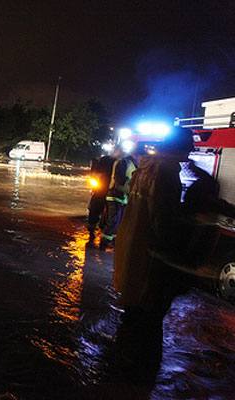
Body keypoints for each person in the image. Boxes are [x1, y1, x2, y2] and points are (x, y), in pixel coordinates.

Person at [111, 128, 194, 382]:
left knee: (133, 310)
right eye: (188, 147)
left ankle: (120, 365)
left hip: (132, 249)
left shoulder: (143, 169)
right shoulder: (167, 174)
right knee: (150, 315)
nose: (190, 153)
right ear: (180, 148)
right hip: (150, 254)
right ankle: (142, 376)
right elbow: (162, 221)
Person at [99, 147, 140, 250]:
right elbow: (120, 180)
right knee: (113, 221)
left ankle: (113, 243)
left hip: (122, 198)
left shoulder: (133, 165)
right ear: (136, 155)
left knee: (118, 222)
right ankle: (103, 243)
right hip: (115, 196)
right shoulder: (124, 163)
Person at [86, 152, 116, 244]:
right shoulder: (105, 161)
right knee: (95, 208)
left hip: (110, 190)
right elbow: (95, 174)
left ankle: (99, 228)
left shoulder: (119, 162)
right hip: (102, 189)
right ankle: (92, 228)